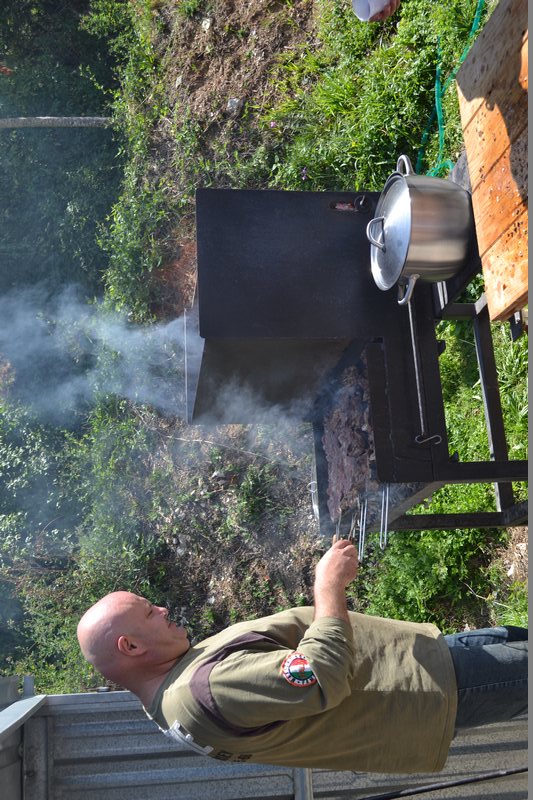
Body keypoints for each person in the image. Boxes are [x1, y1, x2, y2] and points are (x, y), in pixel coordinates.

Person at [77, 539, 527, 773]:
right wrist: (328, 583)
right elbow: (317, 675)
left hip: (422, 663)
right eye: (148, 612)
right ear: (131, 647)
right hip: (426, 686)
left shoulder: (172, 703)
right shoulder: (202, 690)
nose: (163, 609)